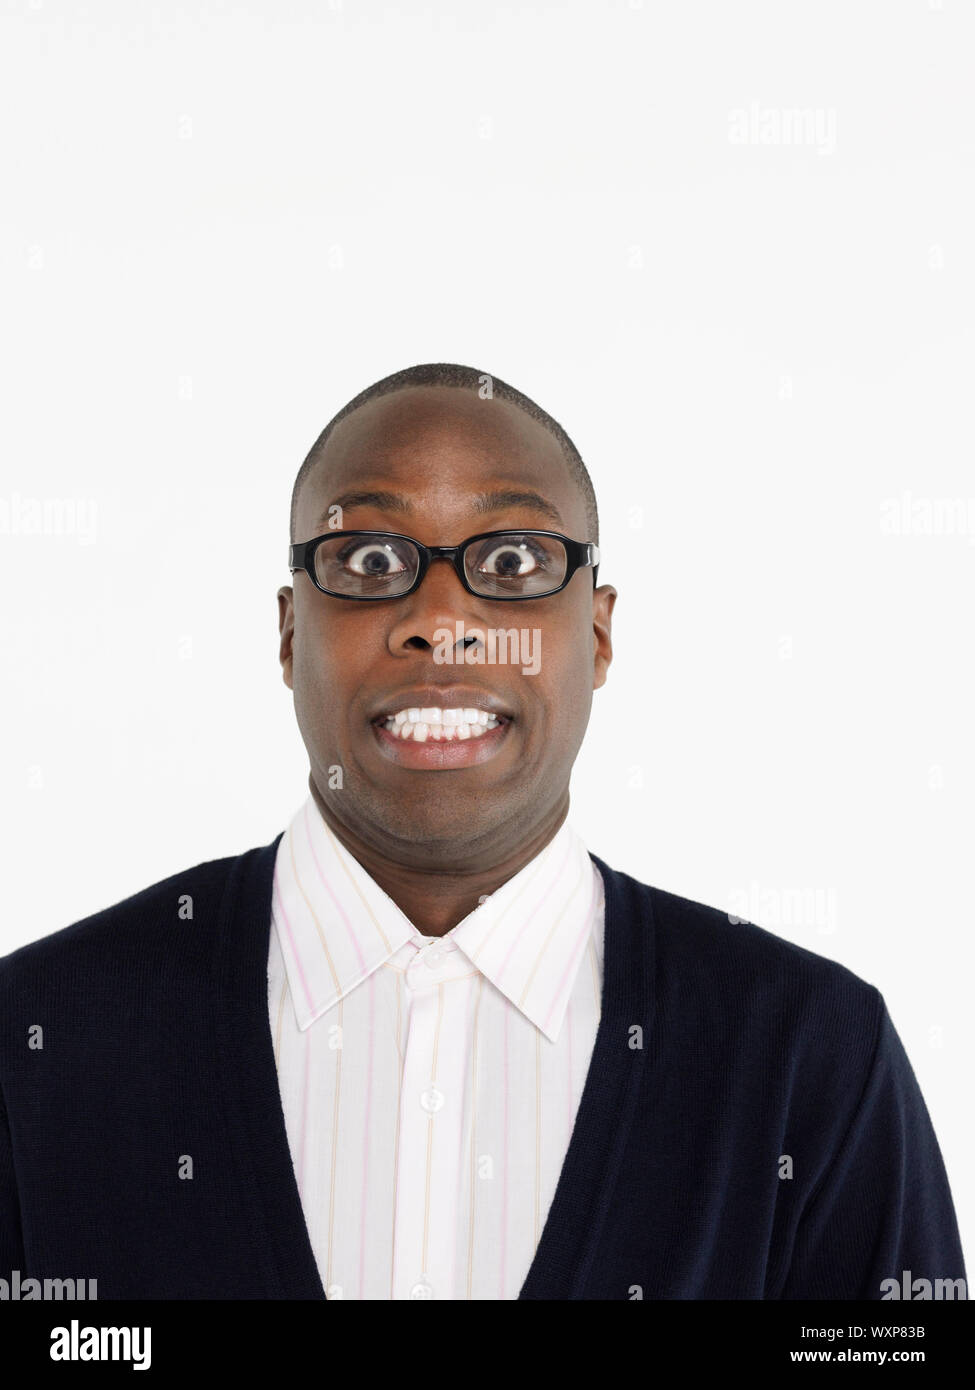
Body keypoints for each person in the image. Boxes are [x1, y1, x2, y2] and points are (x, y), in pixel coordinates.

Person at [0, 363, 966, 1300]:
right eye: (370, 560)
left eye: (511, 561)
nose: (442, 622)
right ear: (290, 635)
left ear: (596, 634)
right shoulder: (39, 1039)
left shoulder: (806, 1054)